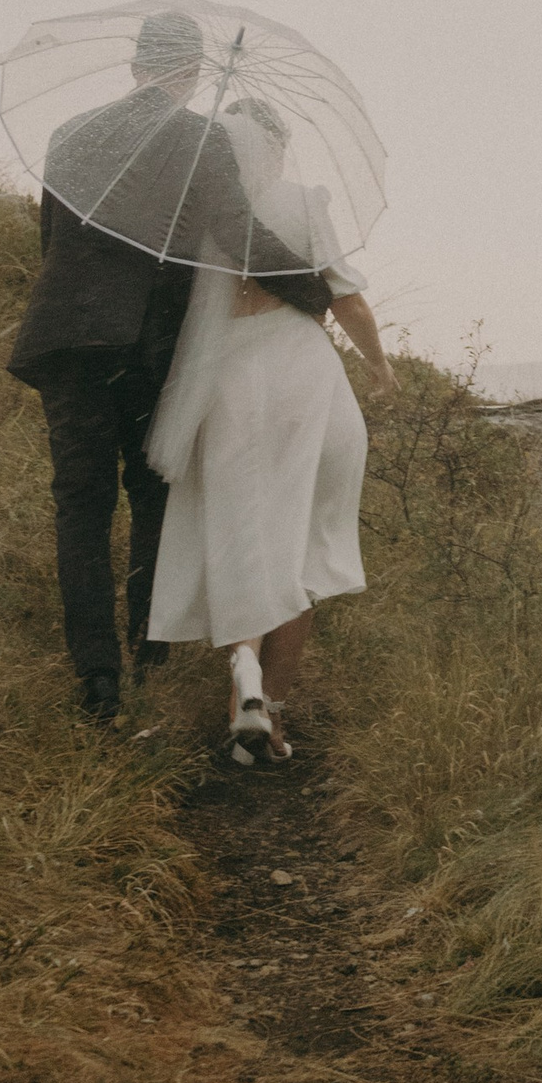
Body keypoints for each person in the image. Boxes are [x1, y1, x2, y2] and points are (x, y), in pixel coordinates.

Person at [6, 9, 327, 717]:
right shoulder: (199, 138)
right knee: (151, 496)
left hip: (65, 342)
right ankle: (147, 657)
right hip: (144, 347)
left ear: (135, 64)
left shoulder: (70, 134)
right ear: (192, 71)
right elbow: (240, 234)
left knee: (80, 506)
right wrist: (314, 287)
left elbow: (52, 239)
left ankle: (97, 679)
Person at [143, 95, 395, 761]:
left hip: (225, 374)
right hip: (300, 373)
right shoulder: (304, 201)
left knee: (242, 534)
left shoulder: (198, 213)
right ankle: (271, 716)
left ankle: (243, 679)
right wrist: (379, 365)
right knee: (300, 540)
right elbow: (347, 298)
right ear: (278, 147)